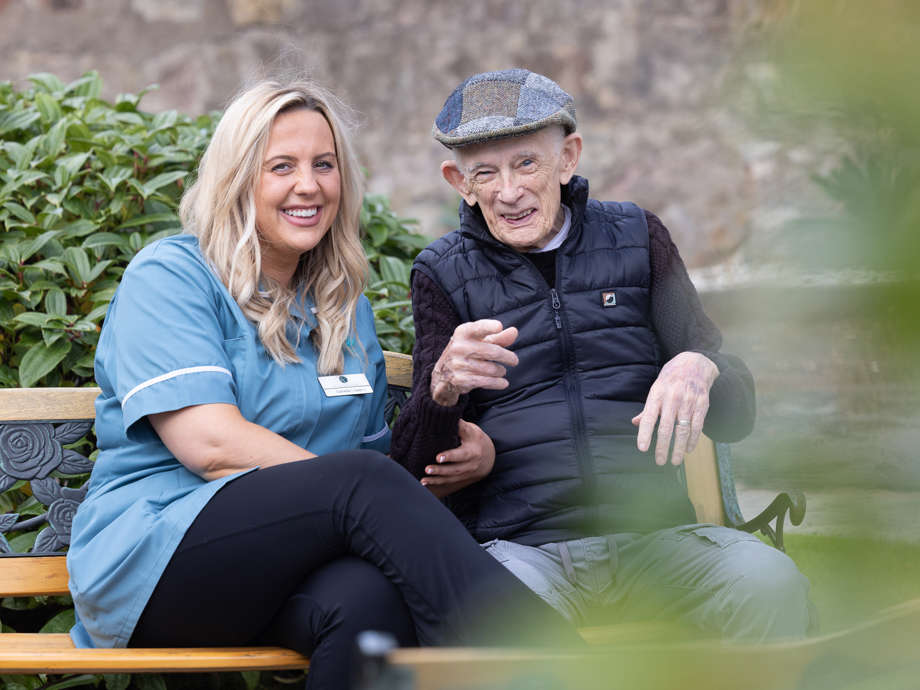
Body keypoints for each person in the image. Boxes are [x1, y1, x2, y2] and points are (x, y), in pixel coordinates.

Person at [66, 78, 581, 689]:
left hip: (283, 567)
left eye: (324, 165)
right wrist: (351, 492)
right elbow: (210, 446)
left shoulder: (341, 306)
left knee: (370, 608)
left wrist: (467, 454)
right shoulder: (172, 276)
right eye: (280, 166)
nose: (308, 185)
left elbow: (373, 473)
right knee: (360, 487)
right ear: (237, 178)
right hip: (153, 560)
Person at [391, 68, 812, 641]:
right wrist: (441, 388)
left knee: (770, 581)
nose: (508, 191)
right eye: (485, 172)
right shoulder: (442, 272)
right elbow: (414, 463)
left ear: (569, 158)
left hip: (658, 543)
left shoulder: (639, 238)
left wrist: (702, 365)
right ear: (458, 181)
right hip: (522, 553)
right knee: (498, 623)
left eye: (527, 163)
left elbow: (739, 416)